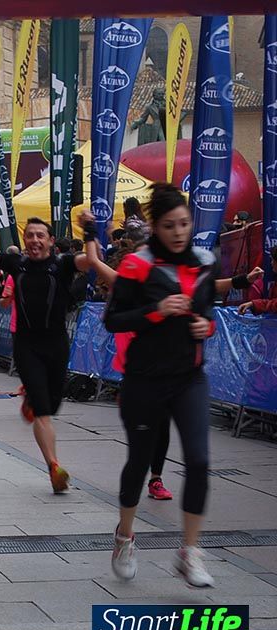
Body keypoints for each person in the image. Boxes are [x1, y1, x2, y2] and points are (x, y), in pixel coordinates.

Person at [103, 183, 218, 588]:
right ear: (156, 227)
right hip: (145, 380)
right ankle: (124, 536)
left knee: (199, 462)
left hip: (189, 378)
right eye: (169, 226)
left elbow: (207, 313)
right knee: (140, 461)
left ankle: (190, 552)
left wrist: (206, 326)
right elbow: (113, 320)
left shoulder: (205, 262)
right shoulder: (137, 265)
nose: (179, 232)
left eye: (184, 223)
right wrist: (157, 310)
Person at [0, 203, 91, 493]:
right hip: (27, 346)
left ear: (51, 241)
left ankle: (33, 400)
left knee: (51, 406)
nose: (35, 240)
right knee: (43, 411)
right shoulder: (17, 263)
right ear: (25, 240)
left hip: (57, 345)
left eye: (41, 235)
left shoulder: (63, 264)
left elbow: (92, 261)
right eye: (30, 235)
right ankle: (53, 467)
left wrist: (90, 230)